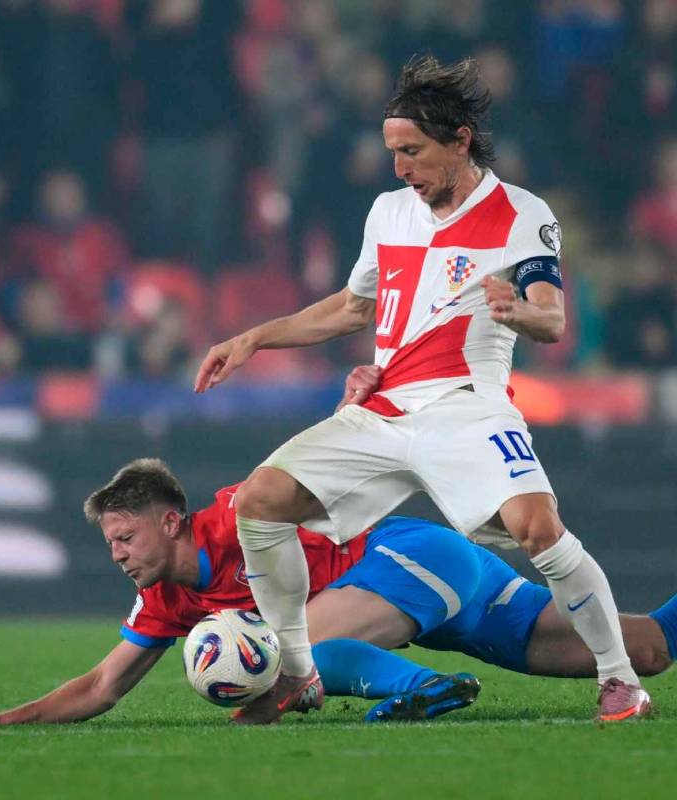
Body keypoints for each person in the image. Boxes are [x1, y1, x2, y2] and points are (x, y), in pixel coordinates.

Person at [193, 54, 650, 724]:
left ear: (459, 140)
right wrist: (255, 337)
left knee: (538, 530)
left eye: (412, 151)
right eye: (392, 152)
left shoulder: (520, 214)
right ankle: (296, 673)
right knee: (260, 502)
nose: (400, 168)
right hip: (382, 408)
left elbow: (551, 316)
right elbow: (353, 308)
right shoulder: (388, 214)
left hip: (466, 407)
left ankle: (619, 679)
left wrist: (516, 310)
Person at [0, 459, 676, 727]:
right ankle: (418, 678)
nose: (117, 555)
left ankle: (421, 690)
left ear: (171, 520)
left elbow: (343, 476)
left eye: (125, 538)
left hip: (412, 557)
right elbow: (100, 686)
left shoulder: (242, 514)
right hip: (438, 598)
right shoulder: (166, 602)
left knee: (293, 650)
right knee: (644, 650)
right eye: (109, 545)